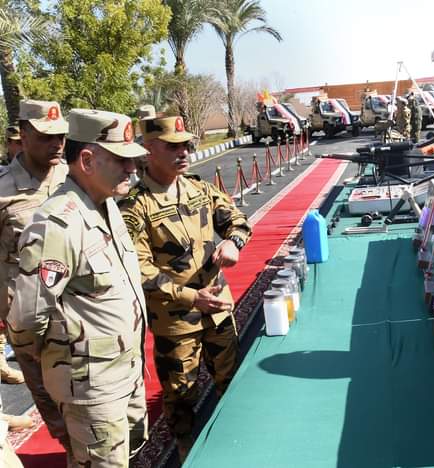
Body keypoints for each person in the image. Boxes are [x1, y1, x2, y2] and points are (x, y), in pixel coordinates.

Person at [8, 108, 149, 467]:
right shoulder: (57, 224)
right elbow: (26, 321)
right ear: (87, 160)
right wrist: (61, 363)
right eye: (121, 160)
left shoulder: (105, 204)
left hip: (126, 371)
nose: (132, 169)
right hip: (92, 387)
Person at [118, 115, 252, 461]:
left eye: (186, 145)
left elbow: (237, 220)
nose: (184, 152)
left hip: (218, 308)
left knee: (233, 378)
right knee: (181, 395)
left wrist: (233, 242)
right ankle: (187, 452)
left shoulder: (198, 188)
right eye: (173, 146)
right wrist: (192, 297)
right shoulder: (136, 206)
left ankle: (239, 442)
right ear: (149, 150)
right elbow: (139, 269)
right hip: (176, 320)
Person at [1, 101, 70, 441]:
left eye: (61, 136)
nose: (56, 144)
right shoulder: (3, 191)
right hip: (32, 328)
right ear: (24, 135)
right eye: (46, 137)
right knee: (59, 418)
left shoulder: (76, 178)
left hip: (82, 317)